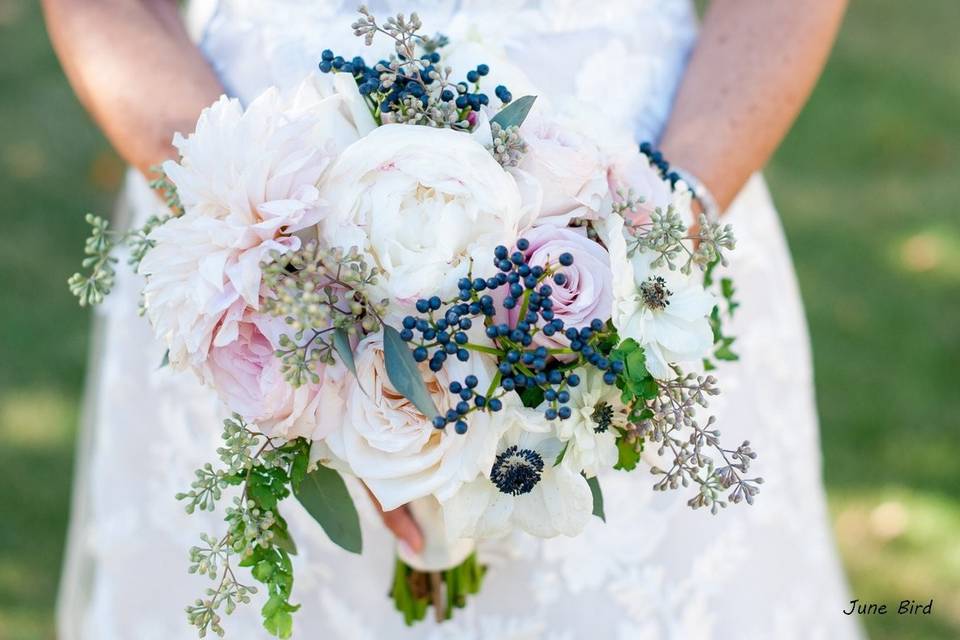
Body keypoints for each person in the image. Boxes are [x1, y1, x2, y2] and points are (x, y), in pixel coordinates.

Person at [45, 0, 860, 637]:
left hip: (641, 194)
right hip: (253, 237)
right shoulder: (270, 289)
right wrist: (294, 307)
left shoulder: (642, 244)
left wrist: (645, 248)